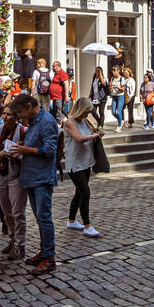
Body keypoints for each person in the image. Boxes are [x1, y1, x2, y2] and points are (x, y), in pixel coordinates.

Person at [10, 94, 59, 275]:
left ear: (30, 107)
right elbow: (37, 144)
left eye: (22, 113)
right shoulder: (34, 122)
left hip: (42, 177)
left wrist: (25, 149)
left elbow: (49, 149)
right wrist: (23, 145)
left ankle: (49, 257)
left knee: (44, 218)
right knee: (40, 218)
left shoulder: (46, 121)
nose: (22, 118)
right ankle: (44, 251)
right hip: (31, 176)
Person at [0, 101, 28, 262]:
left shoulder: (23, 131)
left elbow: (28, 152)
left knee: (18, 211)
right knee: (6, 212)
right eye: (3, 113)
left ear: (16, 116)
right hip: (0, 173)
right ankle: (12, 239)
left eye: (8, 114)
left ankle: (20, 244)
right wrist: (2, 155)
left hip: (16, 174)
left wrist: (19, 152)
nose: (5, 117)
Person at [63, 98, 102, 238]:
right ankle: (87, 226)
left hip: (86, 161)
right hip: (75, 163)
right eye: (87, 111)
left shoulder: (85, 120)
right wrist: (94, 136)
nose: (88, 113)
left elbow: (91, 132)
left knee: (79, 192)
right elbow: (79, 138)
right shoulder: (69, 122)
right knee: (85, 192)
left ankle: (71, 221)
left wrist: (97, 133)